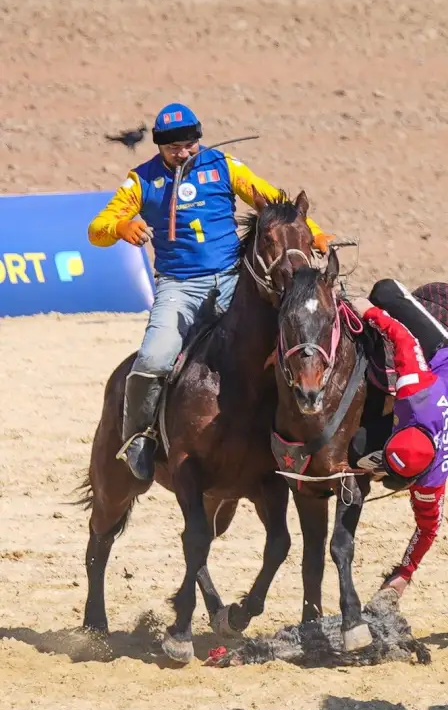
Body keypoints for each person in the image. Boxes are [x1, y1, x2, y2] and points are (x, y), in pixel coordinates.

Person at [88, 101, 333, 482]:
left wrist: (314, 233)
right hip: (179, 287)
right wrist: (120, 227)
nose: (183, 153)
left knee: (297, 335)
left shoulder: (224, 166)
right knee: (153, 358)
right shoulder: (141, 180)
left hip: (234, 280)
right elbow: (97, 228)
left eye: (189, 145)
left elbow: (277, 205)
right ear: (159, 146)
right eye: (173, 148)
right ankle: (140, 438)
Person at [350, 280, 448, 596]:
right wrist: (369, 311)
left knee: (359, 446)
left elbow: (428, 529)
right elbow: (402, 337)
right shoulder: (416, 392)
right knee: (385, 292)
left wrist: (405, 572)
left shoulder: (431, 479)